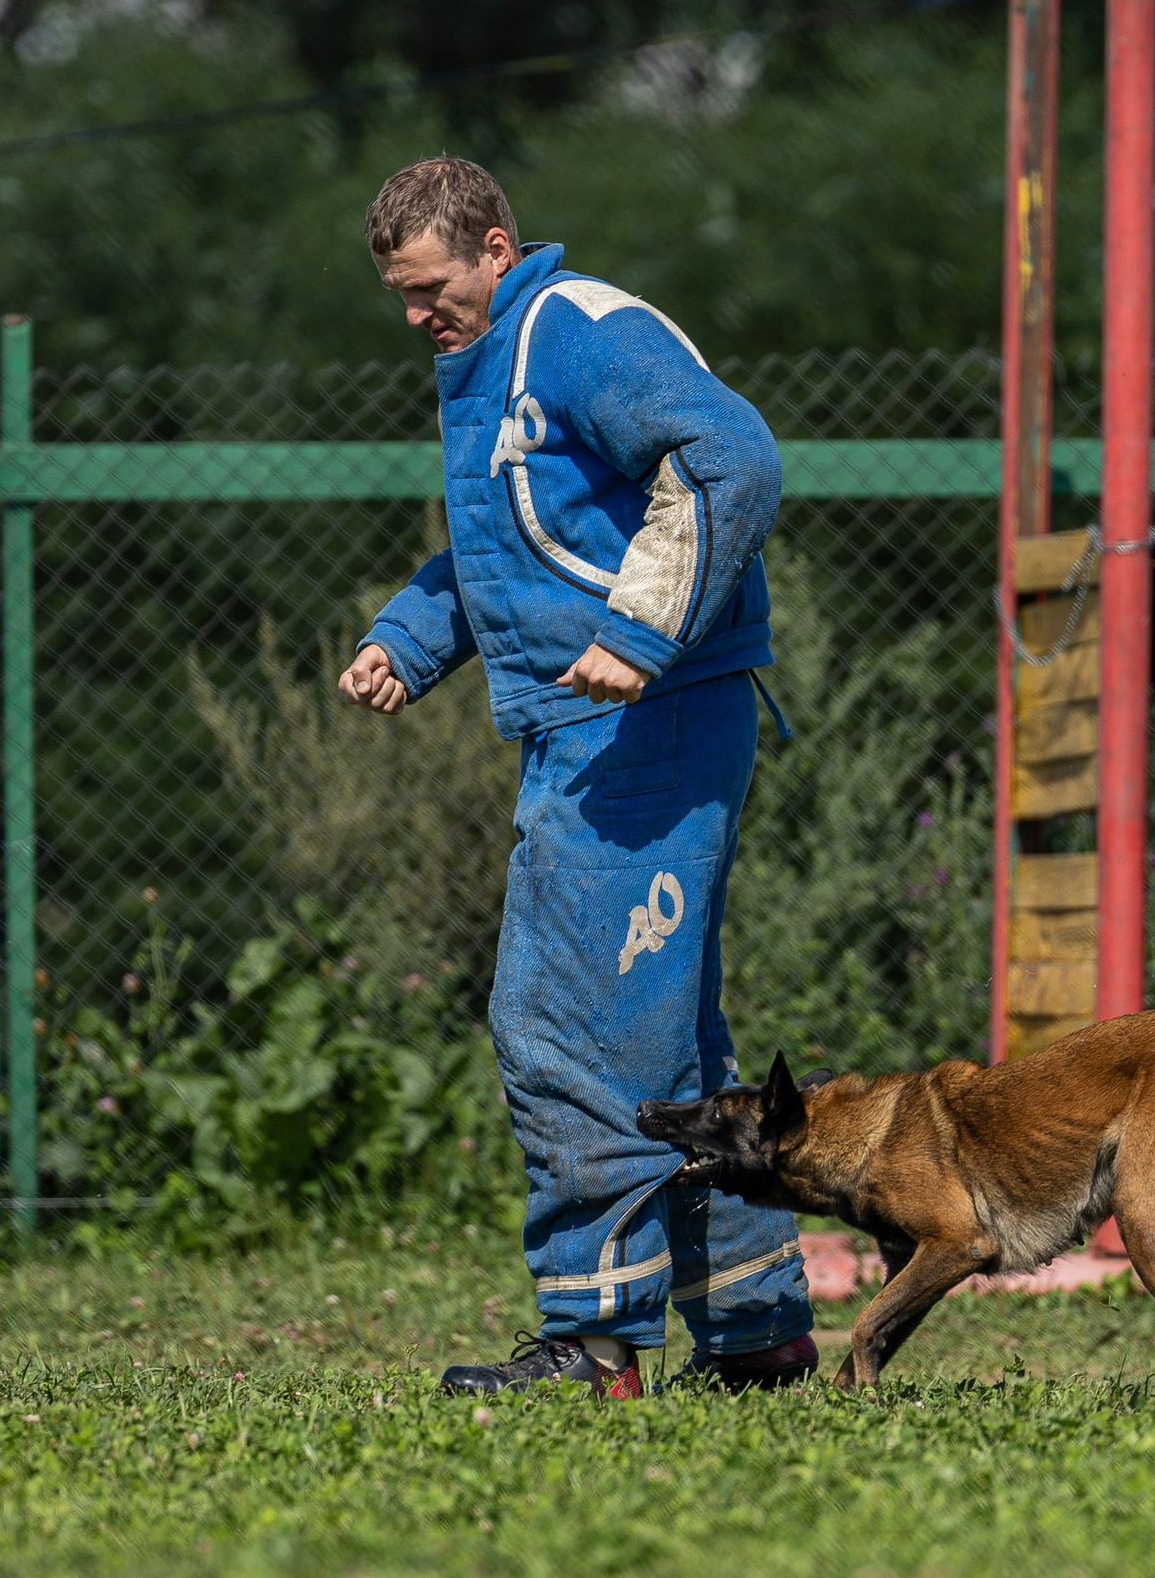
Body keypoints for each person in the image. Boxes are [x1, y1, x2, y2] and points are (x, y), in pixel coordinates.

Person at [337, 156, 816, 1398]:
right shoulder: (494, 360)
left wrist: (645, 632)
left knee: (564, 1027)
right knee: (662, 1038)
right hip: (596, 722)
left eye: (431, 286)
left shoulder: (577, 330)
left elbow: (735, 458)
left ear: (497, 247)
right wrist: (404, 637)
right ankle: (756, 1332)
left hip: (641, 724)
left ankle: (594, 1339)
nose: (414, 315)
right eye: (398, 294)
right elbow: (504, 552)